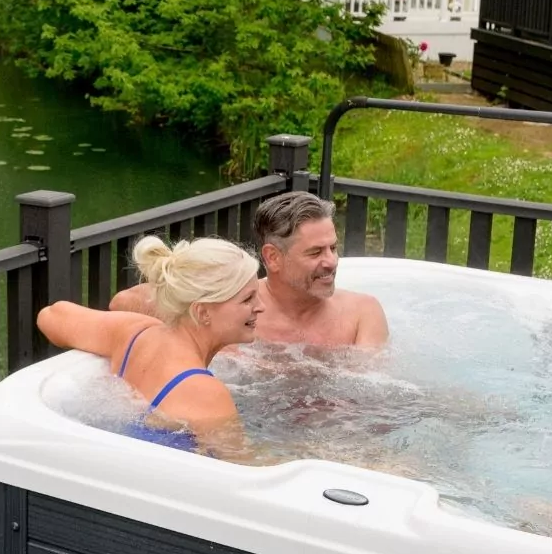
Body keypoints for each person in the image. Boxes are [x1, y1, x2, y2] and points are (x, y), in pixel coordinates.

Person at [37, 235, 260, 452]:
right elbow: (244, 471)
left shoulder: (136, 333)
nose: (260, 307)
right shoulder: (206, 393)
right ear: (202, 312)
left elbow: (51, 315)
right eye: (247, 299)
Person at [110, 192, 388, 348]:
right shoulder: (231, 311)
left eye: (333, 248)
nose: (331, 262)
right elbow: (123, 303)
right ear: (273, 257)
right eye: (315, 252)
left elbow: (365, 405)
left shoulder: (361, 314)